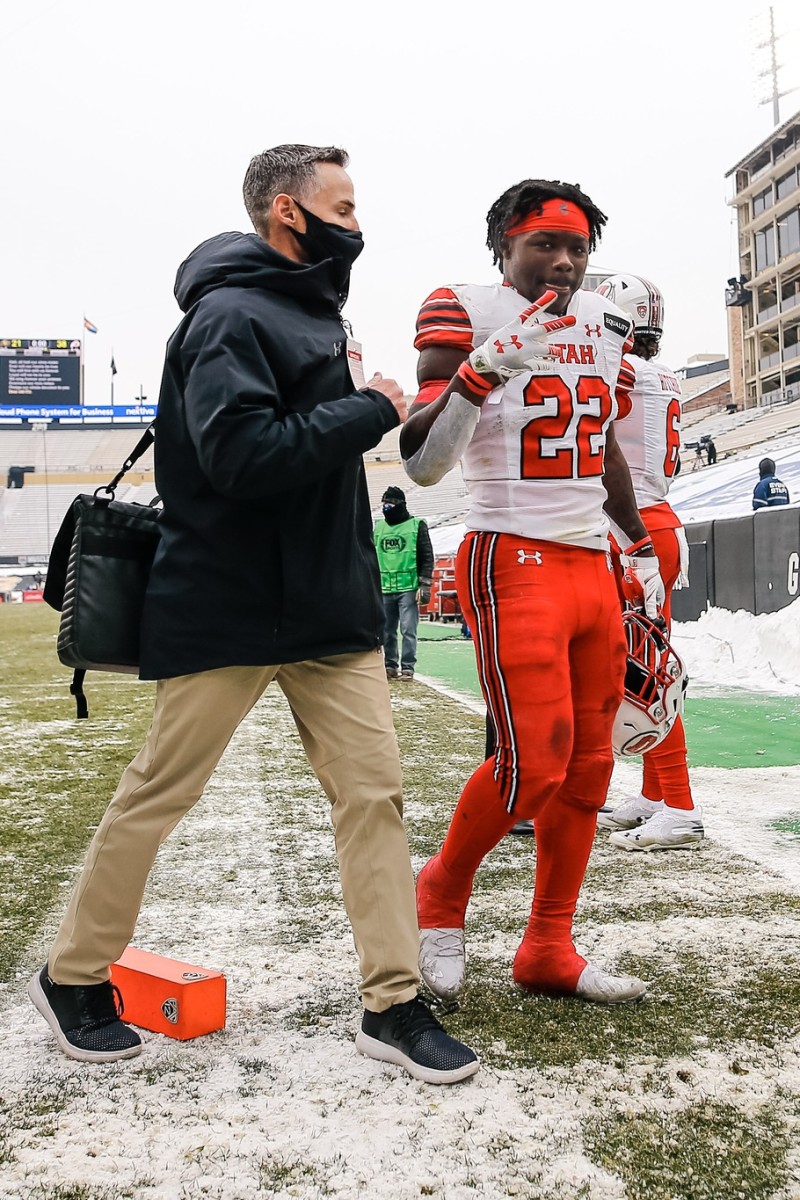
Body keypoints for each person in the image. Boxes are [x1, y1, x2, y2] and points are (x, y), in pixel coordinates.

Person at [27, 144, 478, 1087]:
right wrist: (369, 409)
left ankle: (394, 1001)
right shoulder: (230, 314)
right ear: (288, 213)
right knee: (158, 797)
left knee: (374, 799)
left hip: (326, 610)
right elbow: (242, 459)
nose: (357, 222)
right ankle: (71, 977)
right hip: (226, 606)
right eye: (343, 205)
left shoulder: (309, 308)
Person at [400, 178, 666, 1006]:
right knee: (529, 768)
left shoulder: (603, 318)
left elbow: (605, 447)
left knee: (589, 772)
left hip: (592, 564)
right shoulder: (465, 308)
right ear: (504, 246)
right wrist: (481, 372)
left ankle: (548, 945)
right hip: (511, 551)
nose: (562, 259)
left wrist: (641, 545)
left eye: (577, 246)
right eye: (543, 243)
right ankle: (438, 895)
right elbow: (420, 460)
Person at [593, 274, 704, 852]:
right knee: (644, 663)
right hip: (657, 519)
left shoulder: (625, 371)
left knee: (644, 672)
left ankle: (681, 805)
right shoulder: (664, 373)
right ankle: (656, 795)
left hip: (631, 526)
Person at [373, 485, 434, 680]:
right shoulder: (378, 527)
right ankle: (390, 666)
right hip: (384, 587)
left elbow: (426, 555)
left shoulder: (417, 525)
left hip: (408, 588)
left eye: (390, 503)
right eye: (384, 503)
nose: (386, 507)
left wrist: (425, 584)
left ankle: (407, 668)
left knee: (408, 630)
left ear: (401, 505)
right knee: (387, 631)